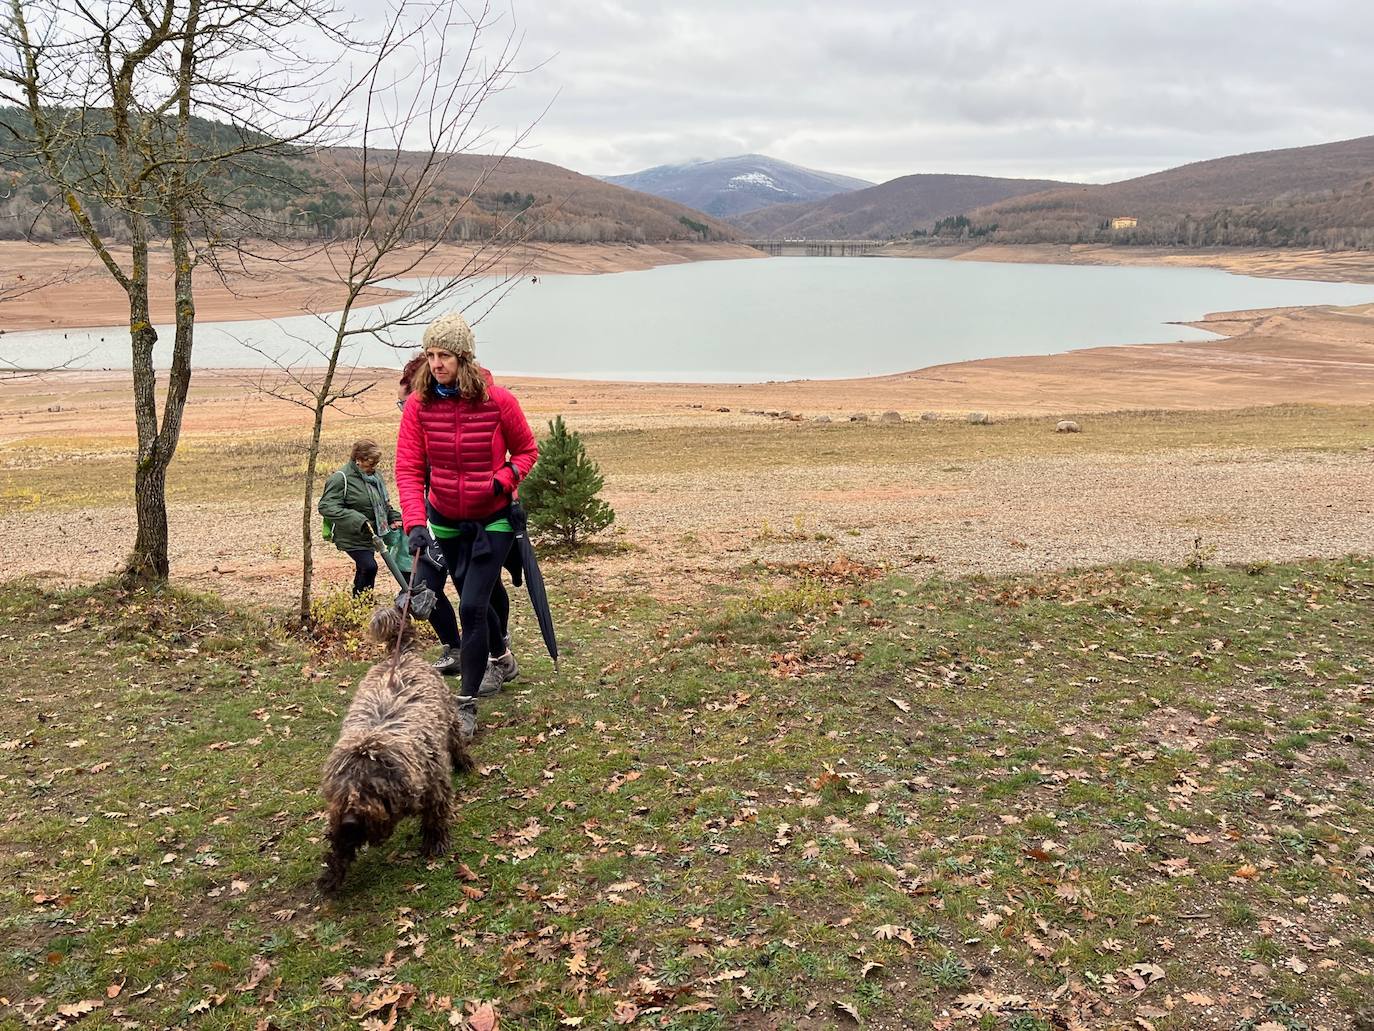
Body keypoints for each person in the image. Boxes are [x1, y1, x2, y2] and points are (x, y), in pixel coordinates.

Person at [396, 313, 538, 740]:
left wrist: (503, 480)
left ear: (465, 358)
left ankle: (465, 705)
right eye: (431, 355)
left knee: (472, 606)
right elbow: (408, 469)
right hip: (446, 519)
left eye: (445, 356)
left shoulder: (499, 401)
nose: (436, 363)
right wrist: (415, 524)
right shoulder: (419, 406)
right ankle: (502, 658)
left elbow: (527, 451)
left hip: (491, 518)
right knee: (474, 594)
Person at [318, 439, 402, 597]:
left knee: (364, 569)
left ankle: (358, 608)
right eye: (370, 463)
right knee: (369, 567)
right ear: (358, 460)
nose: (374, 468)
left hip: (370, 535)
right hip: (351, 534)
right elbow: (326, 506)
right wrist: (357, 520)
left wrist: (394, 517)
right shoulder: (341, 478)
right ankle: (362, 605)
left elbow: (383, 504)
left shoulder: (375, 477)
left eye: (376, 464)